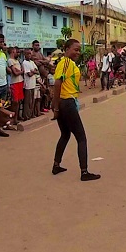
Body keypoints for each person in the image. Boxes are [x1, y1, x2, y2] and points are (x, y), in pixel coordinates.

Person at [50, 39, 98, 181]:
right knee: (81, 138)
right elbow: (57, 83)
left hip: (66, 102)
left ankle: (56, 165)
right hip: (67, 103)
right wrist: (56, 107)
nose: (78, 52)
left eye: (79, 50)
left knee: (65, 135)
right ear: (66, 49)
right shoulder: (65, 63)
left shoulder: (70, 63)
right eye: (75, 49)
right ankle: (84, 172)